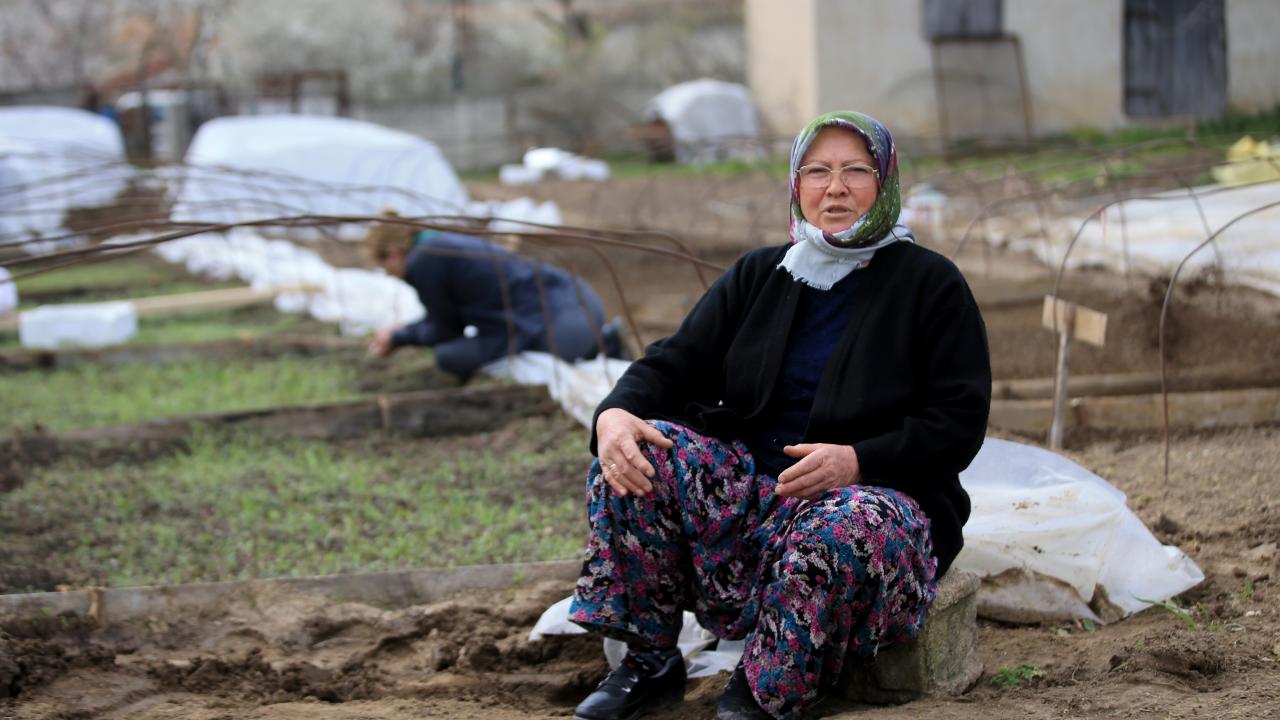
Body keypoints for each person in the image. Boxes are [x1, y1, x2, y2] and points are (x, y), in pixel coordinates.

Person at [568, 111, 991, 720]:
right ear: (797, 185)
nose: (835, 188)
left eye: (856, 171)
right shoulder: (763, 273)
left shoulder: (931, 285)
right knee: (638, 458)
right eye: (817, 171)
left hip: (875, 498)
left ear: (886, 181)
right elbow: (673, 363)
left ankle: (768, 687)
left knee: (842, 525)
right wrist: (613, 415)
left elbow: (959, 421)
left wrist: (857, 460)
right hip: (757, 488)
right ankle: (650, 661)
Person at [365, 212, 625, 377]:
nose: (387, 273)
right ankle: (605, 341)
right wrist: (405, 331)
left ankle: (598, 346)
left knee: (450, 356)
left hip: (562, 328)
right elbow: (446, 321)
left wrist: (398, 337)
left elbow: (445, 330)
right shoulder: (441, 244)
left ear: (394, 253)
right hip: (580, 303)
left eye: (384, 265)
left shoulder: (424, 261)